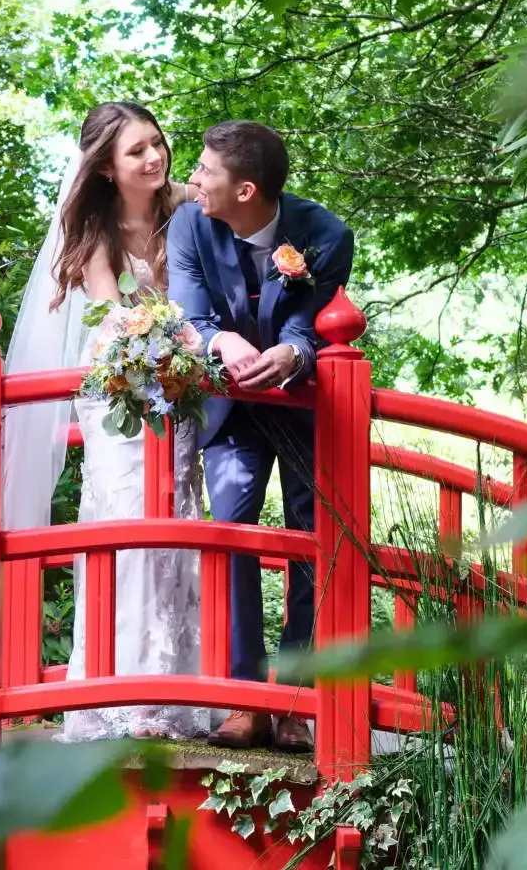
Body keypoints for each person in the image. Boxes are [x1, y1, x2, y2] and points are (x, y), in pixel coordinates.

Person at [1, 101, 211, 742]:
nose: (155, 158)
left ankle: (183, 691)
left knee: (178, 520)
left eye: (158, 143)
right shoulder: (95, 234)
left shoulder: (188, 208)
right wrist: (176, 341)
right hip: (120, 388)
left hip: (178, 389)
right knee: (125, 525)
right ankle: (115, 693)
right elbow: (114, 317)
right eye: (136, 151)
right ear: (106, 170)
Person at [167, 119, 354, 752]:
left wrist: (294, 355)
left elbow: (315, 324)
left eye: (203, 171)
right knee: (233, 534)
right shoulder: (193, 222)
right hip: (232, 409)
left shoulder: (325, 236)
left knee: (309, 541)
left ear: (246, 190)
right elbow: (187, 312)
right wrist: (222, 339)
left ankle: (298, 702)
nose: (191, 179)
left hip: (302, 404)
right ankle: (247, 700)